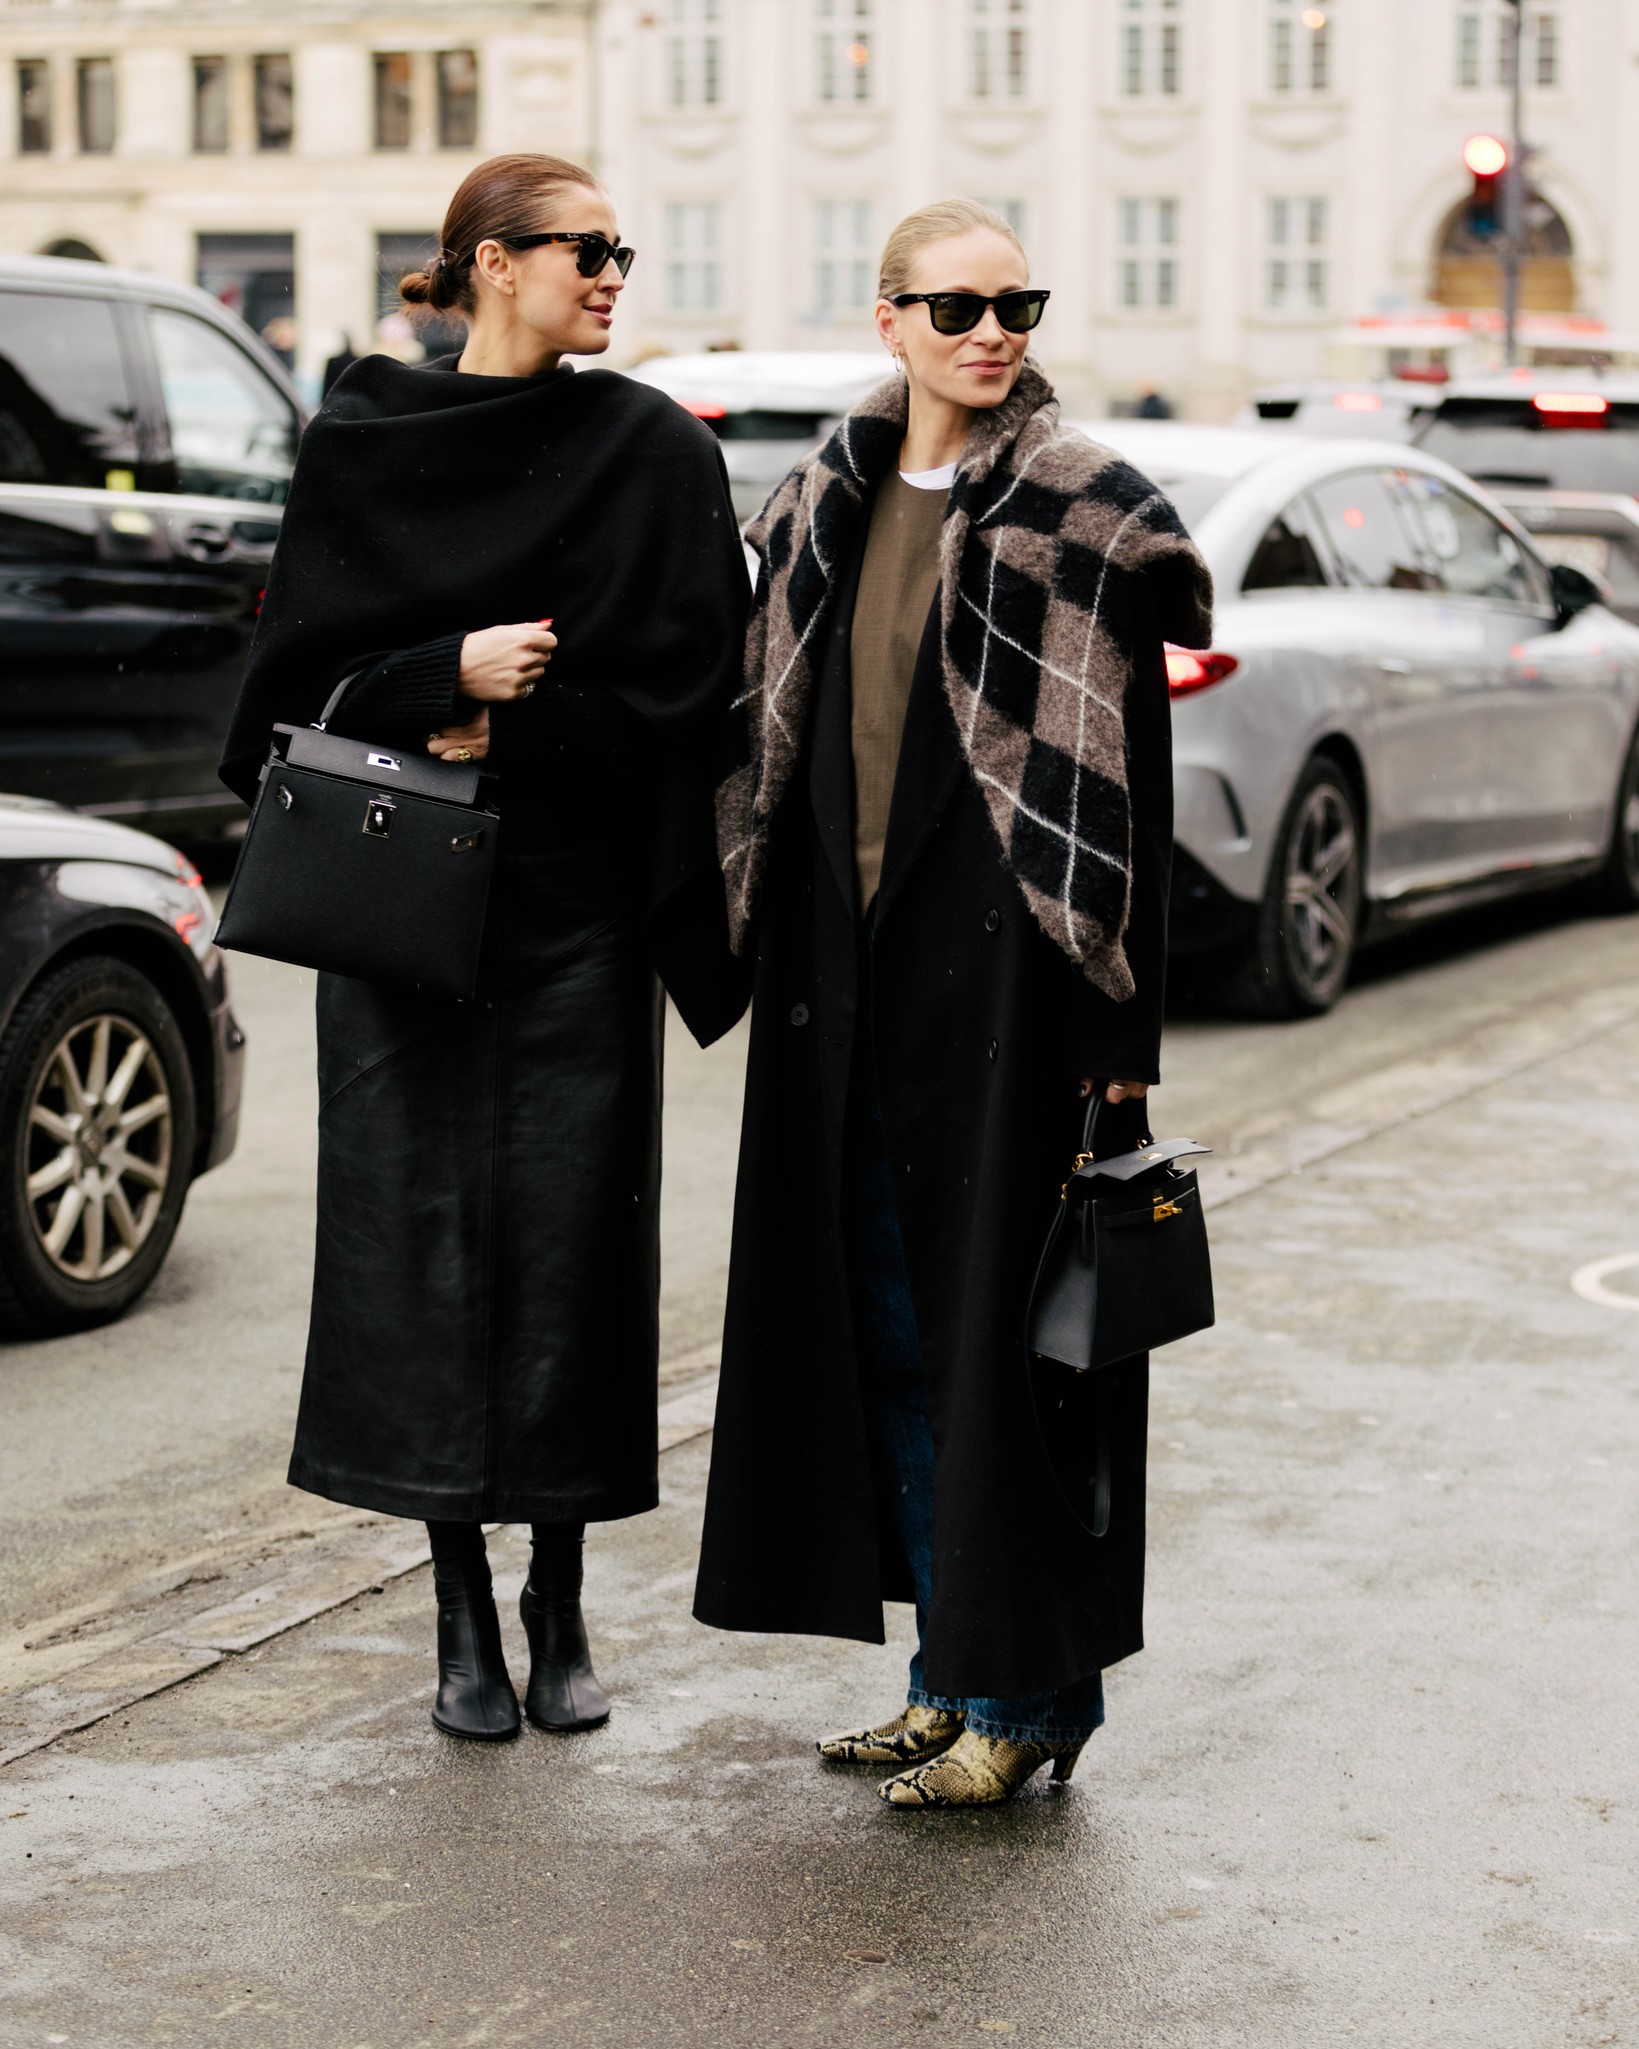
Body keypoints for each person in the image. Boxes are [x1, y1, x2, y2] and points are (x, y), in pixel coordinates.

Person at [219, 154, 749, 1744]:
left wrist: (529, 712)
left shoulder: (650, 448)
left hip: (580, 902)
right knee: (416, 1257)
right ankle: (457, 1605)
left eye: (621, 250)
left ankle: (560, 1598)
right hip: (401, 911)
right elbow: (273, 711)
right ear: (491, 265)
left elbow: (698, 692)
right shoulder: (365, 445)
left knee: (576, 1252)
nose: (612, 275)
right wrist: (438, 676)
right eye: (586, 251)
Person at [693, 200, 1212, 1807]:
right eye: (959, 304)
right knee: (889, 1337)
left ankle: (1028, 1700)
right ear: (890, 316)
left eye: (1017, 302)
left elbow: (1137, 802)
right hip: (843, 980)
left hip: (1016, 990)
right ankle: (943, 1671)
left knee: (1014, 1358)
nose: (993, 330)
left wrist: (1121, 1058)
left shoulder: (1090, 514)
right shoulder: (817, 502)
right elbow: (767, 733)